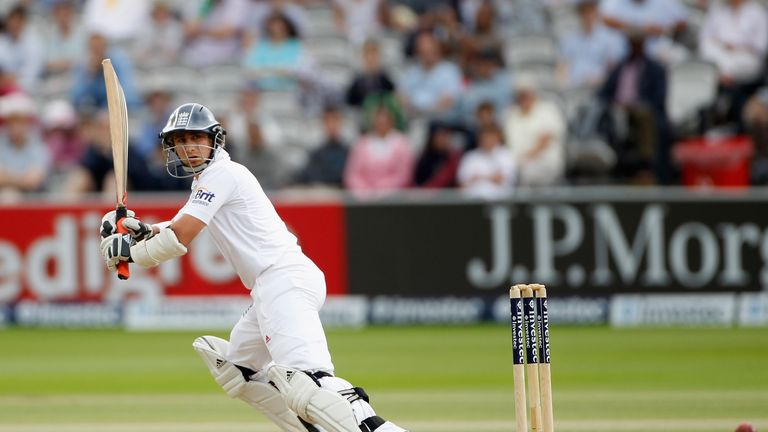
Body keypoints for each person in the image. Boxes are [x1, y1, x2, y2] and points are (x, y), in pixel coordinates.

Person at [99, 102, 409, 432]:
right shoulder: (208, 181)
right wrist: (135, 235)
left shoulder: (223, 174)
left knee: (310, 382)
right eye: (179, 140)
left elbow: (180, 236)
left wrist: (131, 254)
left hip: (282, 280)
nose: (188, 147)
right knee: (237, 369)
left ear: (214, 140)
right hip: (271, 286)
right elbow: (171, 227)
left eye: (195, 138)